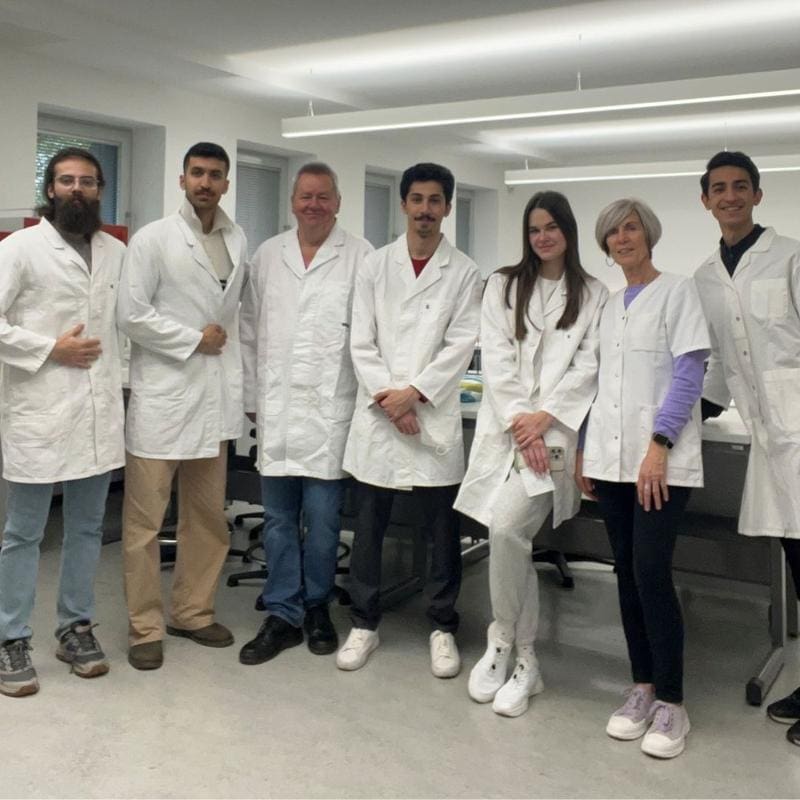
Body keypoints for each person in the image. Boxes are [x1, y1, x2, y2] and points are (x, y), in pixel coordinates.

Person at [454, 191, 607, 717]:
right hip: (510, 432)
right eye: (534, 228)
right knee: (509, 535)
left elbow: (588, 367)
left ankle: (501, 638)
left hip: (556, 440)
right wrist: (524, 423)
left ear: (568, 230)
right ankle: (524, 658)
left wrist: (544, 420)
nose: (542, 237)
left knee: (506, 528)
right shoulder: (503, 285)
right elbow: (495, 360)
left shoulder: (592, 292)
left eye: (551, 227)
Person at [337, 162, 482, 676]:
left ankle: (442, 626)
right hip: (383, 418)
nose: (425, 210)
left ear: (446, 207)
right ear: (403, 204)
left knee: (441, 531)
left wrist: (414, 395)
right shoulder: (375, 266)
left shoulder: (464, 273)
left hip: (428, 417)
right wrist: (390, 399)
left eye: (435, 201)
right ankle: (364, 623)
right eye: (416, 199)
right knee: (369, 527)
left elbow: (461, 344)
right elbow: (361, 341)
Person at [577, 198, 710, 758]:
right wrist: (585, 450)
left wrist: (659, 445)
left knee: (652, 572)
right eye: (612, 232)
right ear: (605, 245)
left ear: (648, 234)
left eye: (631, 228)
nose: (622, 238)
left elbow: (690, 370)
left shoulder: (677, 291)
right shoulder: (606, 305)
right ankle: (641, 687)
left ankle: (673, 703)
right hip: (609, 464)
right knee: (626, 574)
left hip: (657, 463)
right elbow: (597, 383)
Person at [0, 147, 126, 696]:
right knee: (24, 532)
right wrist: (50, 349)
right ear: (50, 189)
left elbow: (129, 323)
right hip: (39, 409)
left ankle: (74, 627)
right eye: (67, 181)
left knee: (87, 529)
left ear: (100, 190)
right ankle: (10, 638)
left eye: (88, 182)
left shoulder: (115, 251)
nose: (78, 190)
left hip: (98, 412)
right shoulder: (21, 248)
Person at [117, 142, 247, 670]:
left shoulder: (236, 238)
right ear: (182, 178)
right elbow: (130, 313)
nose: (206, 183)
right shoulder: (152, 239)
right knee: (145, 523)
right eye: (197, 173)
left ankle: (192, 611)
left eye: (215, 175)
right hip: (164, 398)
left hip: (213, 401)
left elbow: (234, 317)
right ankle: (145, 626)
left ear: (226, 183)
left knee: (207, 517)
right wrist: (193, 339)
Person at [237, 163, 373, 665]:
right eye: (305, 196)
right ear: (293, 202)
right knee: (276, 520)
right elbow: (250, 329)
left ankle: (316, 605)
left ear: (338, 202)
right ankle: (282, 612)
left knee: (322, 520)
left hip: (329, 412)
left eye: (323, 196)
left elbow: (368, 337)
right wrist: (251, 395)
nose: (313, 204)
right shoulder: (268, 255)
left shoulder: (362, 257)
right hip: (276, 408)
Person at [694, 150, 800, 745]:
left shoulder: (790, 257)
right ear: (705, 201)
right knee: (795, 556)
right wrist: (678, 418)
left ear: (758, 195)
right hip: (769, 440)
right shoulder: (707, 275)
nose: (729, 197)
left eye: (740, 187)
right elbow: (716, 368)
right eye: (718, 189)